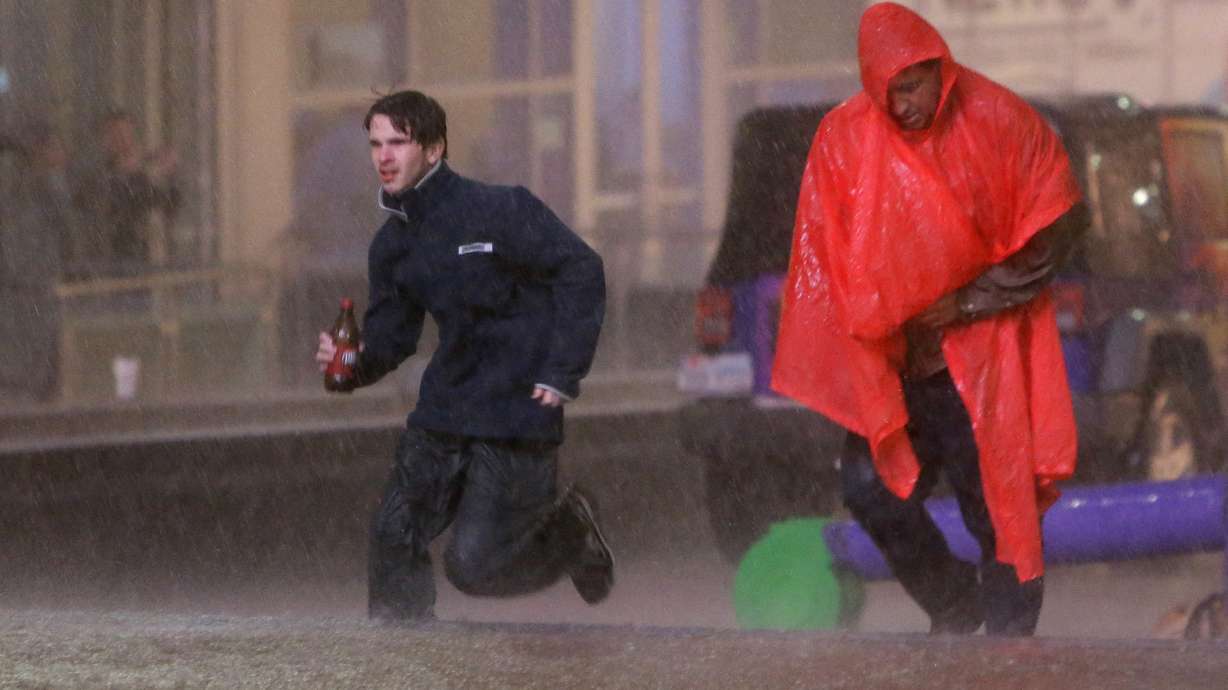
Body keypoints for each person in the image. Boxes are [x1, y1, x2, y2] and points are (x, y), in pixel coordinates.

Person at [772, 2, 1090, 636]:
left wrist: (970, 300)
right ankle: (952, 604)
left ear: (938, 67)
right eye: (888, 91)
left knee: (996, 509)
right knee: (868, 487)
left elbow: (1058, 222)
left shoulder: (997, 119)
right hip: (900, 367)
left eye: (913, 85)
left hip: (976, 358)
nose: (904, 104)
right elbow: (825, 245)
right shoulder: (846, 138)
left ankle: (1007, 645)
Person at [314, 90, 613, 623]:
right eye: (376, 144)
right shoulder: (392, 245)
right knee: (392, 531)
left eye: (398, 143)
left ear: (434, 149)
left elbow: (582, 270)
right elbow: (394, 337)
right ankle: (404, 660)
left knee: (474, 567)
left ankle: (571, 533)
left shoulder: (500, 210)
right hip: (446, 409)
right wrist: (352, 362)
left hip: (517, 411)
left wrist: (562, 367)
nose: (383, 156)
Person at [0, 120, 76, 402]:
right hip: (15, 289)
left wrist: (53, 172)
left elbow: (69, 229)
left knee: (39, 366)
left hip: (36, 288)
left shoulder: (50, 190)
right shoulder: (13, 190)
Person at [77, 109, 178, 275]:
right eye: (116, 134)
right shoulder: (94, 175)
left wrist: (170, 175)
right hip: (106, 262)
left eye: (127, 133)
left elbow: (168, 206)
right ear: (104, 141)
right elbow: (102, 207)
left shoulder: (143, 174)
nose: (124, 140)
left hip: (142, 260)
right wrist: (128, 174)